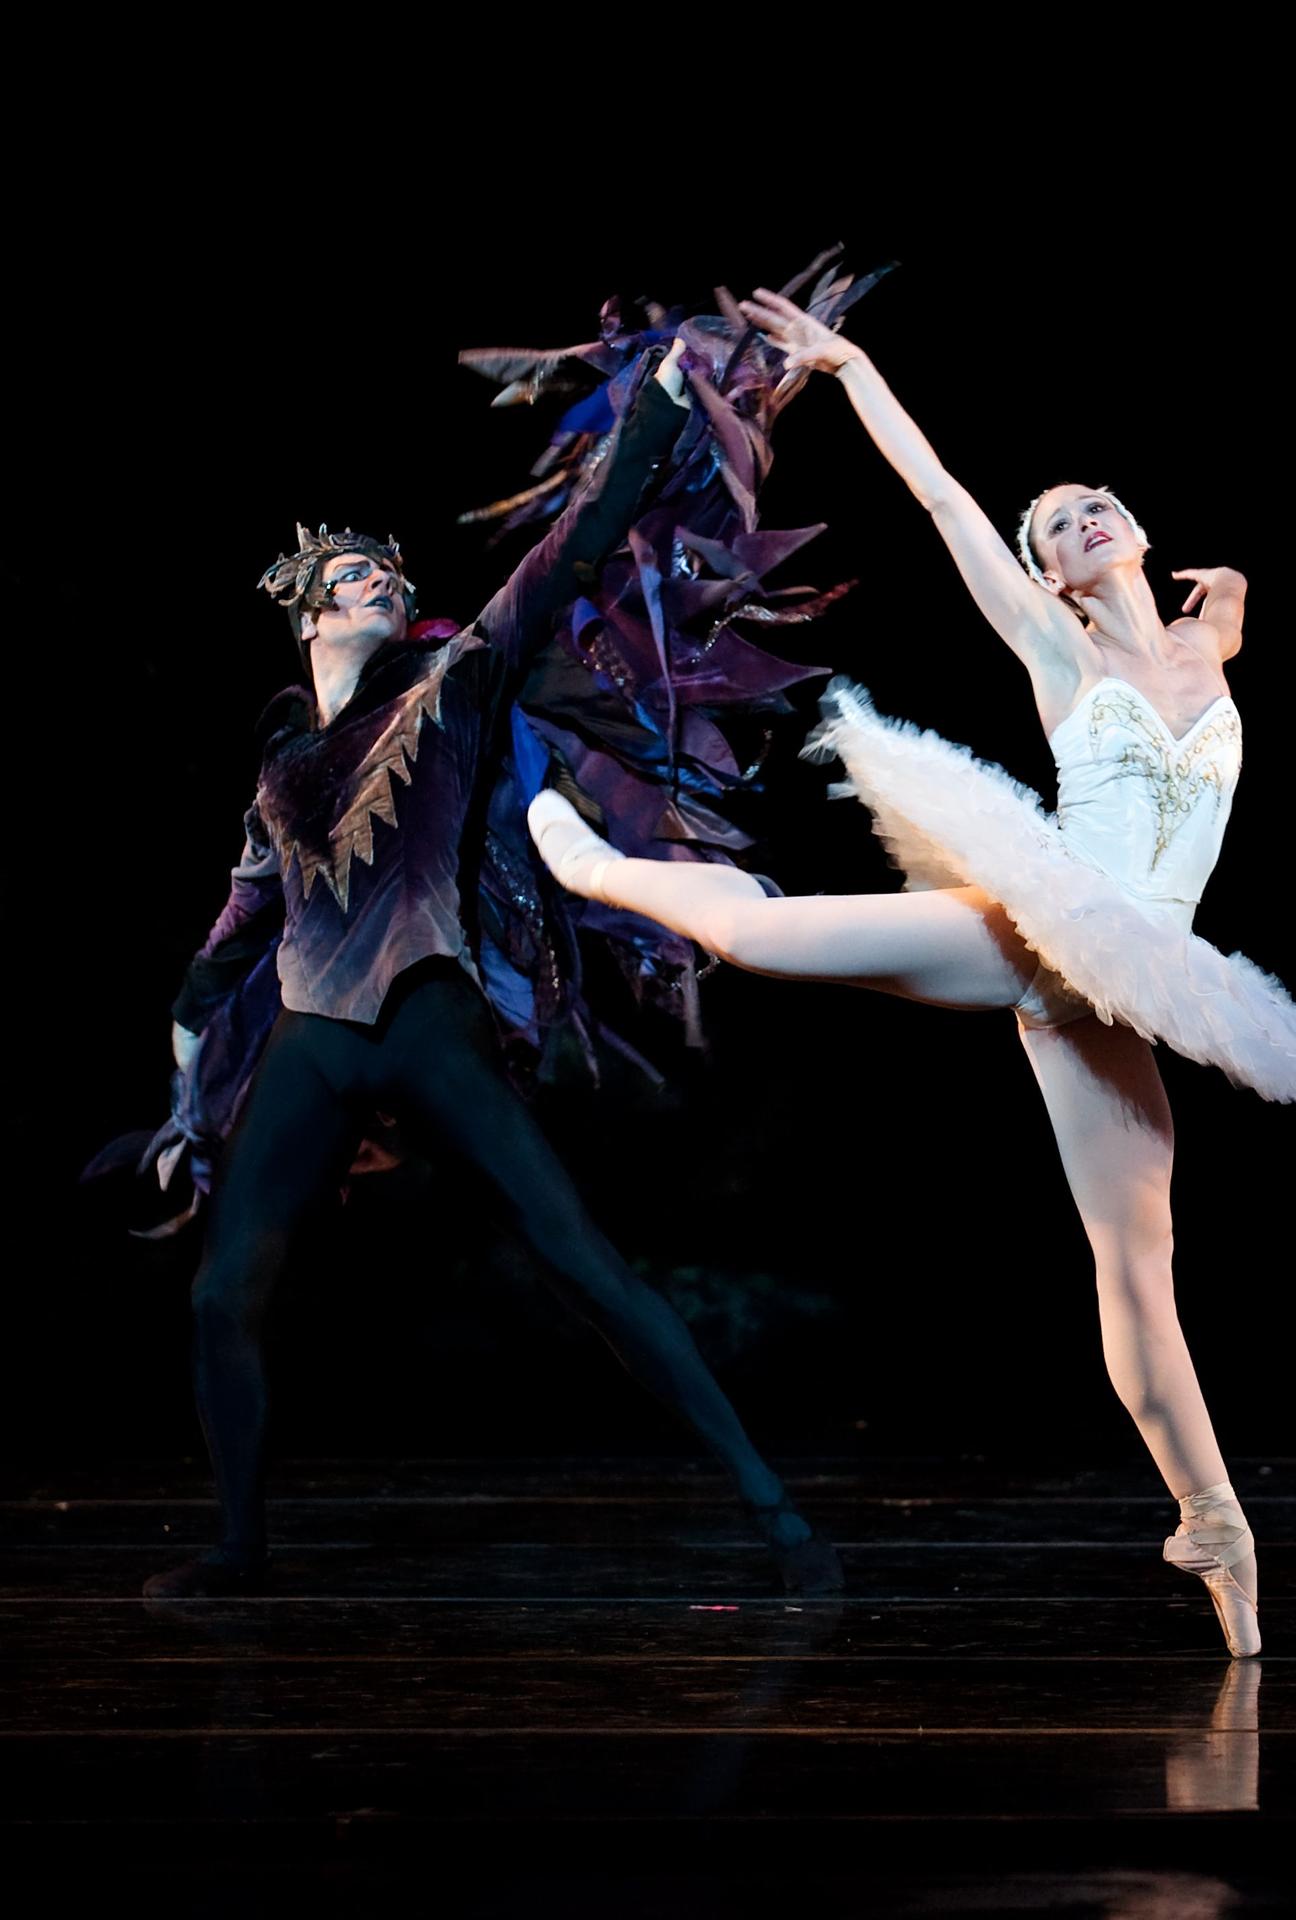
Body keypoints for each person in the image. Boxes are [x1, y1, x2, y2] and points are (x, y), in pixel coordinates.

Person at [528, 290, 1296, 1659]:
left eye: (1097, 505)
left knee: (1139, 1264)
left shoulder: (1204, 646)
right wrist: (855, 368)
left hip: (1140, 980)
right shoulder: (1058, 646)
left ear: (1137, 532)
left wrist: (1233, 589)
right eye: (1059, 527)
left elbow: (1225, 619)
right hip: (1049, 923)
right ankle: (599, 867)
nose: (1083, 520)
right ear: (1051, 577)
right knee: (762, 939)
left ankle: (1216, 1523)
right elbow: (943, 500)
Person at [144, 336, 841, 1600]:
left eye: (385, 571)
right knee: (219, 1297)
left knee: (581, 1261)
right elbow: (243, 914)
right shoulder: (283, 761)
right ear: (307, 612)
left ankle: (774, 1508)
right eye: (350, 574)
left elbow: (569, 548)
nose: (377, 579)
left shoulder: (452, 680)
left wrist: (657, 408)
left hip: (428, 1012)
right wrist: (191, 1055)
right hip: (311, 1032)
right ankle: (239, 1546)